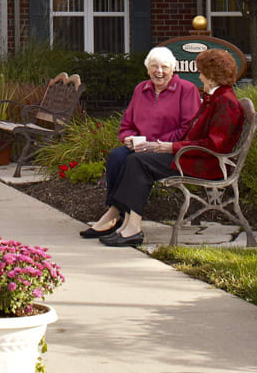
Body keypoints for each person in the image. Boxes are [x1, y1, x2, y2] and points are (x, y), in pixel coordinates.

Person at [81, 46, 201, 247]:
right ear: (147, 69)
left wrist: (155, 145)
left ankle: (119, 217)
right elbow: (126, 125)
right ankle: (114, 212)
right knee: (117, 157)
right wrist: (129, 138)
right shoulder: (141, 89)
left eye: (164, 67)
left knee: (133, 160)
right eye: (154, 67)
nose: (159, 72)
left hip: (169, 150)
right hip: (142, 147)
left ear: (173, 69)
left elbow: (188, 129)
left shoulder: (186, 90)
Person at [169, 48, 246, 180]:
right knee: (137, 158)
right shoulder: (215, 97)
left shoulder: (225, 102)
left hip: (205, 167)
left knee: (138, 162)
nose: (199, 77)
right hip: (191, 159)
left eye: (201, 73)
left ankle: (126, 201)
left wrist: (172, 147)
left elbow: (214, 145)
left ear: (210, 77)